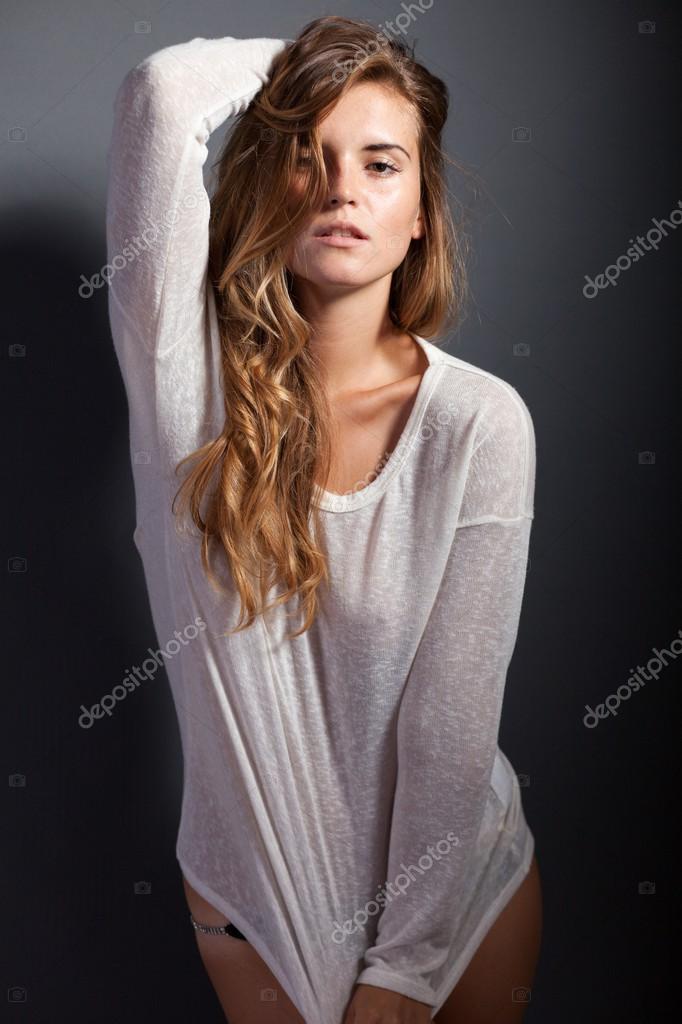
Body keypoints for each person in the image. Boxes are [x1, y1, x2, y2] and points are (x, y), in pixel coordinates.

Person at [105, 14, 542, 1024]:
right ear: (268, 187)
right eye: (306, 157)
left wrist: (402, 967)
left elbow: (449, 719)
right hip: (262, 903)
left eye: (381, 164)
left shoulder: (477, 425)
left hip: (457, 894)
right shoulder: (185, 392)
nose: (342, 187)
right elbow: (163, 96)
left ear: (421, 210)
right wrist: (307, 69)